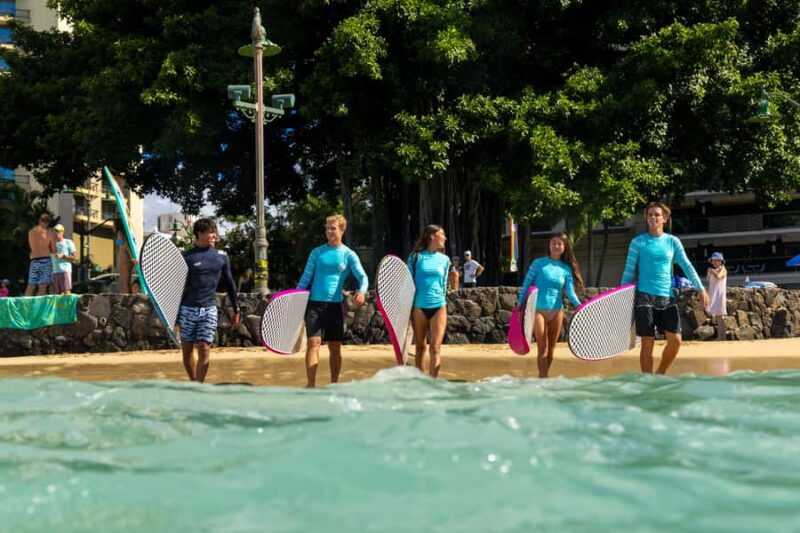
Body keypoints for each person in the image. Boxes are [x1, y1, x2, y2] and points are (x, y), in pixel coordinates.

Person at [621, 202, 709, 374]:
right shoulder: (638, 243)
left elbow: (687, 265)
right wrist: (620, 295)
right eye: (650, 215)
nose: (653, 217)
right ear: (646, 218)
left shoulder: (672, 242)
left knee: (675, 340)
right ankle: (648, 379)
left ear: (665, 219)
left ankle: (660, 372)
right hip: (644, 297)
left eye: (657, 215)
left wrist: (701, 288)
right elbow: (628, 271)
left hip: (667, 296)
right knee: (647, 342)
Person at [297, 214, 368, 388]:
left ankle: (334, 384)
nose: (329, 231)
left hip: (334, 306)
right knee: (313, 343)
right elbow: (306, 277)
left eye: (333, 228)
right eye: (327, 228)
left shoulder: (348, 255)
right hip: (313, 304)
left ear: (342, 230)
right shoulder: (317, 252)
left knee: (334, 347)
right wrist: (296, 296)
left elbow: (363, 276)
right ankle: (311, 384)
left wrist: (362, 291)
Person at [178, 218, 240, 383]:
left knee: (205, 348)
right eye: (211, 232)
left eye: (215, 232)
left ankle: (199, 385)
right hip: (187, 309)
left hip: (209, 309)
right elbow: (176, 288)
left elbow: (230, 284)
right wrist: (174, 315)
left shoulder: (221, 256)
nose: (215, 235)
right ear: (200, 234)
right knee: (187, 351)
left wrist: (237, 309)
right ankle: (193, 381)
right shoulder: (186, 257)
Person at [517, 233, 583, 378]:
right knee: (542, 347)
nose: (556, 246)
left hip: (557, 311)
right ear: (549, 245)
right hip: (538, 309)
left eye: (560, 243)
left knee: (552, 348)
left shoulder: (566, 269)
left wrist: (580, 306)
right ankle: (543, 380)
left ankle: (544, 378)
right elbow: (527, 284)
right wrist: (519, 306)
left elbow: (570, 292)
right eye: (554, 242)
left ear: (564, 247)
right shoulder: (538, 263)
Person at [408, 225, 450, 377]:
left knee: (436, 347)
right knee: (420, 347)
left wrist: (440, 297)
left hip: (439, 306)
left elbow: (444, 284)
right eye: (442, 234)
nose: (445, 238)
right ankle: (421, 383)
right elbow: (408, 282)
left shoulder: (445, 260)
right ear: (432, 236)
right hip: (418, 306)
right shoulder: (415, 257)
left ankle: (433, 382)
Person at [25, 214, 55, 296]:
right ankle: (39, 307)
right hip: (45, 260)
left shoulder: (31, 232)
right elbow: (53, 250)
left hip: (34, 260)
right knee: (43, 286)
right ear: (48, 223)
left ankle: (25, 306)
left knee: (31, 285)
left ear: (39, 221)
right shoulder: (49, 233)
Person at [706, 252, 728, 341]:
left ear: (721, 261)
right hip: (714, 295)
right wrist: (709, 272)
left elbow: (719, 276)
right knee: (718, 317)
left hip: (720, 295)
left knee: (720, 317)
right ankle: (721, 337)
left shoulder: (723, 269)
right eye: (713, 261)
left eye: (717, 261)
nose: (714, 262)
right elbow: (708, 280)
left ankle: (721, 337)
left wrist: (712, 271)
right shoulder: (712, 270)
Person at [51, 224, 77, 295]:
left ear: (62, 232)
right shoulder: (52, 243)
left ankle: (69, 306)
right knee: (58, 293)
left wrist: (63, 256)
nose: (55, 233)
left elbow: (74, 257)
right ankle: (60, 306)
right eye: (54, 231)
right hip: (55, 271)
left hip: (65, 271)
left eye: (57, 231)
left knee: (66, 291)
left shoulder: (68, 242)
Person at [114, 220, 139, 294]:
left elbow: (123, 245)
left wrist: (131, 256)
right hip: (129, 258)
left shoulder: (120, 233)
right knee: (128, 281)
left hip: (124, 258)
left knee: (124, 282)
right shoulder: (129, 233)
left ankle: (126, 299)